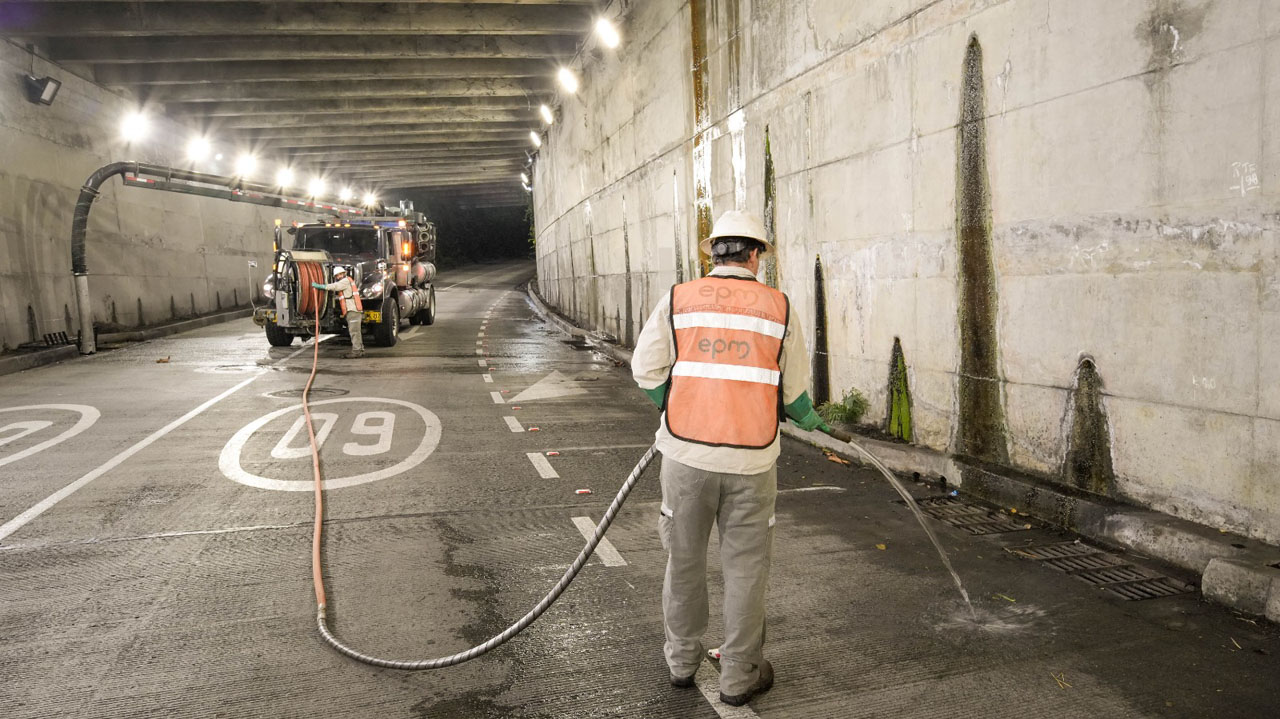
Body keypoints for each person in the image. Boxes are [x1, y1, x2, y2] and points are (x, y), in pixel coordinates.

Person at [631, 210, 829, 707]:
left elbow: (645, 368)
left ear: (714, 253)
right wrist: (809, 417)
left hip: (685, 458)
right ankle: (739, 677)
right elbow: (795, 396)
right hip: (752, 464)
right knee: (746, 571)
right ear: (756, 255)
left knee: (683, 562)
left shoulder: (680, 298)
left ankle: (681, 661)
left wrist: (673, 406)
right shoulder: (778, 307)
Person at [311, 266, 364, 359]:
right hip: (352, 311)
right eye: (337, 275)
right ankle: (360, 350)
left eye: (340, 274)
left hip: (353, 310)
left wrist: (321, 286)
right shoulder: (346, 281)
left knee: (354, 332)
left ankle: (356, 352)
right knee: (355, 331)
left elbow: (335, 286)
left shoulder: (345, 281)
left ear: (344, 273)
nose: (339, 276)